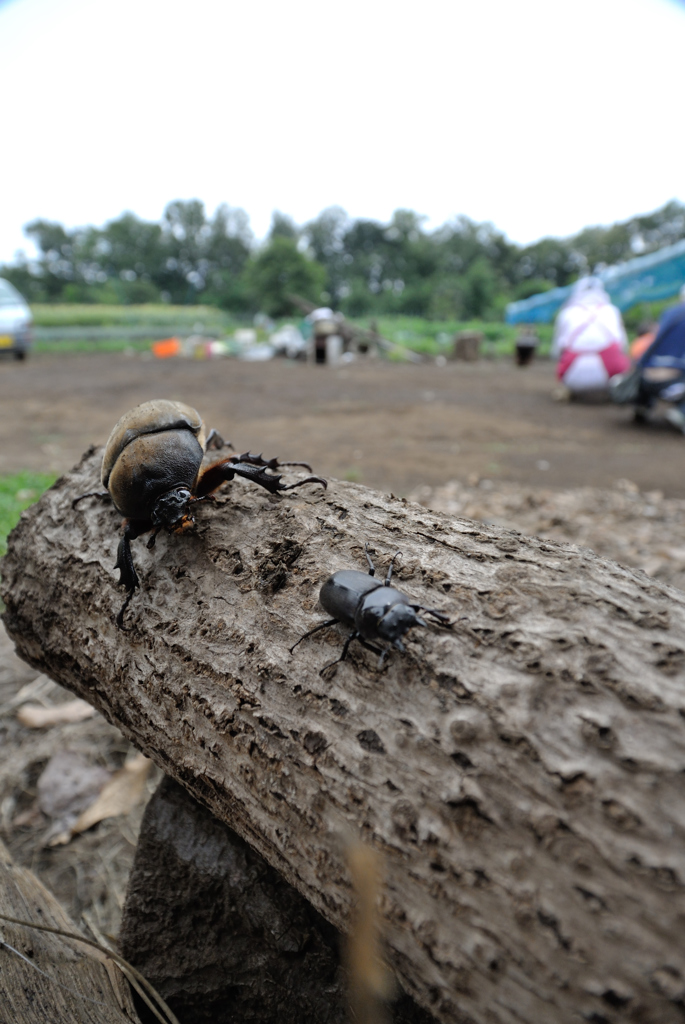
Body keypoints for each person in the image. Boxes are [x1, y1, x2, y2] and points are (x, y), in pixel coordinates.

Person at [551, 277, 630, 398]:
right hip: (610, 376)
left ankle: (565, 388)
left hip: (572, 375)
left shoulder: (566, 312)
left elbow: (556, 351)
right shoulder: (612, 310)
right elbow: (623, 346)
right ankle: (616, 391)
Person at [632, 284, 685, 432]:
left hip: (646, 377)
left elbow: (653, 343)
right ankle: (682, 412)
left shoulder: (670, 313)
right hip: (674, 381)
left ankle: (641, 406)